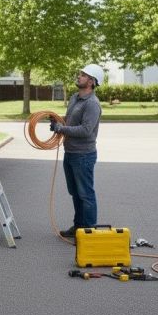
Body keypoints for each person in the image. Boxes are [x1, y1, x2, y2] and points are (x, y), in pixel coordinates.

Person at [50, 64, 104, 237]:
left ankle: (88, 233)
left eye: (83, 75)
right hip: (70, 152)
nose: (79, 76)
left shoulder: (92, 104)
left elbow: (85, 130)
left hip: (84, 155)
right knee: (75, 192)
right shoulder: (75, 98)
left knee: (85, 194)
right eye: (80, 74)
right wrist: (58, 121)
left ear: (91, 81)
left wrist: (61, 129)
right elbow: (70, 120)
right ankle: (79, 227)